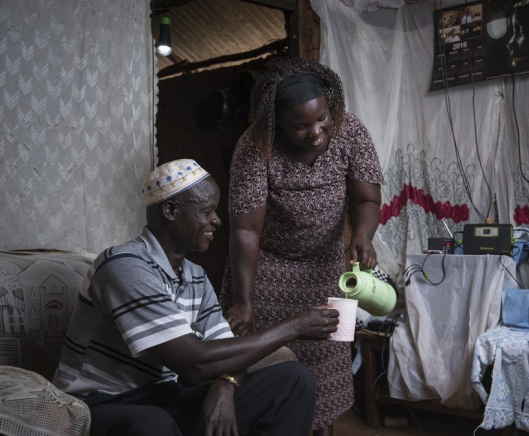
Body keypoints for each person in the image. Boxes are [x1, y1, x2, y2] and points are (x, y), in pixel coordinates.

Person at [54, 159, 340, 436]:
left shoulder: (195, 277)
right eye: (207, 211)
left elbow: (229, 354)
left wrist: (225, 385)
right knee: (153, 422)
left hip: (167, 397)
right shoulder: (123, 266)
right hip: (101, 404)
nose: (216, 221)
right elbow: (194, 364)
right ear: (170, 211)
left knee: (293, 380)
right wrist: (295, 327)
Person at [220, 57, 383, 436]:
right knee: (267, 369)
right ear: (276, 122)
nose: (316, 132)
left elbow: (366, 200)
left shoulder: (349, 130)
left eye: (321, 119)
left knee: (324, 374)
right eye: (301, 125)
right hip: (265, 272)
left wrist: (362, 234)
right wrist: (244, 300)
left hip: (325, 272)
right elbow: (245, 229)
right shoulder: (255, 146)